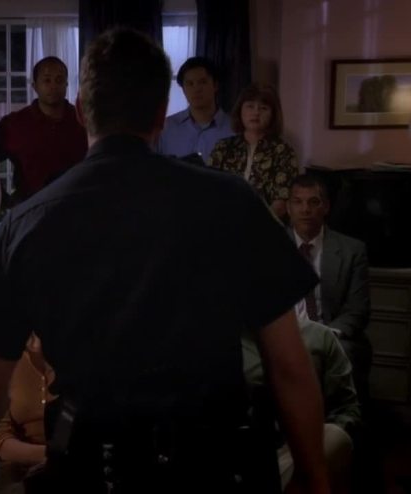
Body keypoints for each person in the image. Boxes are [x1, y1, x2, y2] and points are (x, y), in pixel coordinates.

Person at [0, 28, 329, 493]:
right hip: (213, 466)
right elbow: (289, 365)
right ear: (162, 113)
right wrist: (314, 478)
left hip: (91, 467)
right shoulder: (233, 201)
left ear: (80, 109)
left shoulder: (25, 224)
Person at [242, 319, 361, 492]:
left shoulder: (319, 336)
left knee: (335, 436)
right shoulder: (224, 343)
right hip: (247, 450)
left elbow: (346, 409)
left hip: (303, 448)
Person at [287, 174, 372, 401]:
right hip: (287, 334)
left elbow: (357, 310)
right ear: (288, 208)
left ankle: (336, 419)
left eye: (313, 202)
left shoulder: (352, 250)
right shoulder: (271, 248)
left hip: (332, 334)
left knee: (342, 353)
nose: (305, 209)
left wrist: (323, 337)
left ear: (326, 207)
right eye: (298, 202)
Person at [0, 56, 87, 203]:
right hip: (31, 207)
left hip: (77, 205)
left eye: (59, 80)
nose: (53, 86)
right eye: (47, 80)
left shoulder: (82, 121)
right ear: (35, 86)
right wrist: (2, 199)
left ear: (66, 84)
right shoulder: (16, 123)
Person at [208, 83, 299, 218]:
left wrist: (254, 223)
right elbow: (210, 188)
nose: (256, 112)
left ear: (273, 115)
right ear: (240, 110)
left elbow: (281, 203)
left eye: (263, 108)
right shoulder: (223, 147)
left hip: (264, 224)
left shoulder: (283, 152)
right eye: (250, 106)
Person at [0, 334, 55, 494]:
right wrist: (45, 456)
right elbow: (0, 437)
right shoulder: (6, 357)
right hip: (19, 470)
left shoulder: (76, 353)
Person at [157, 56, 234, 163]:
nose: (196, 89)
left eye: (202, 82)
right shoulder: (166, 128)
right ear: (183, 89)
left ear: (215, 85)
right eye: (190, 84)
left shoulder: (233, 128)